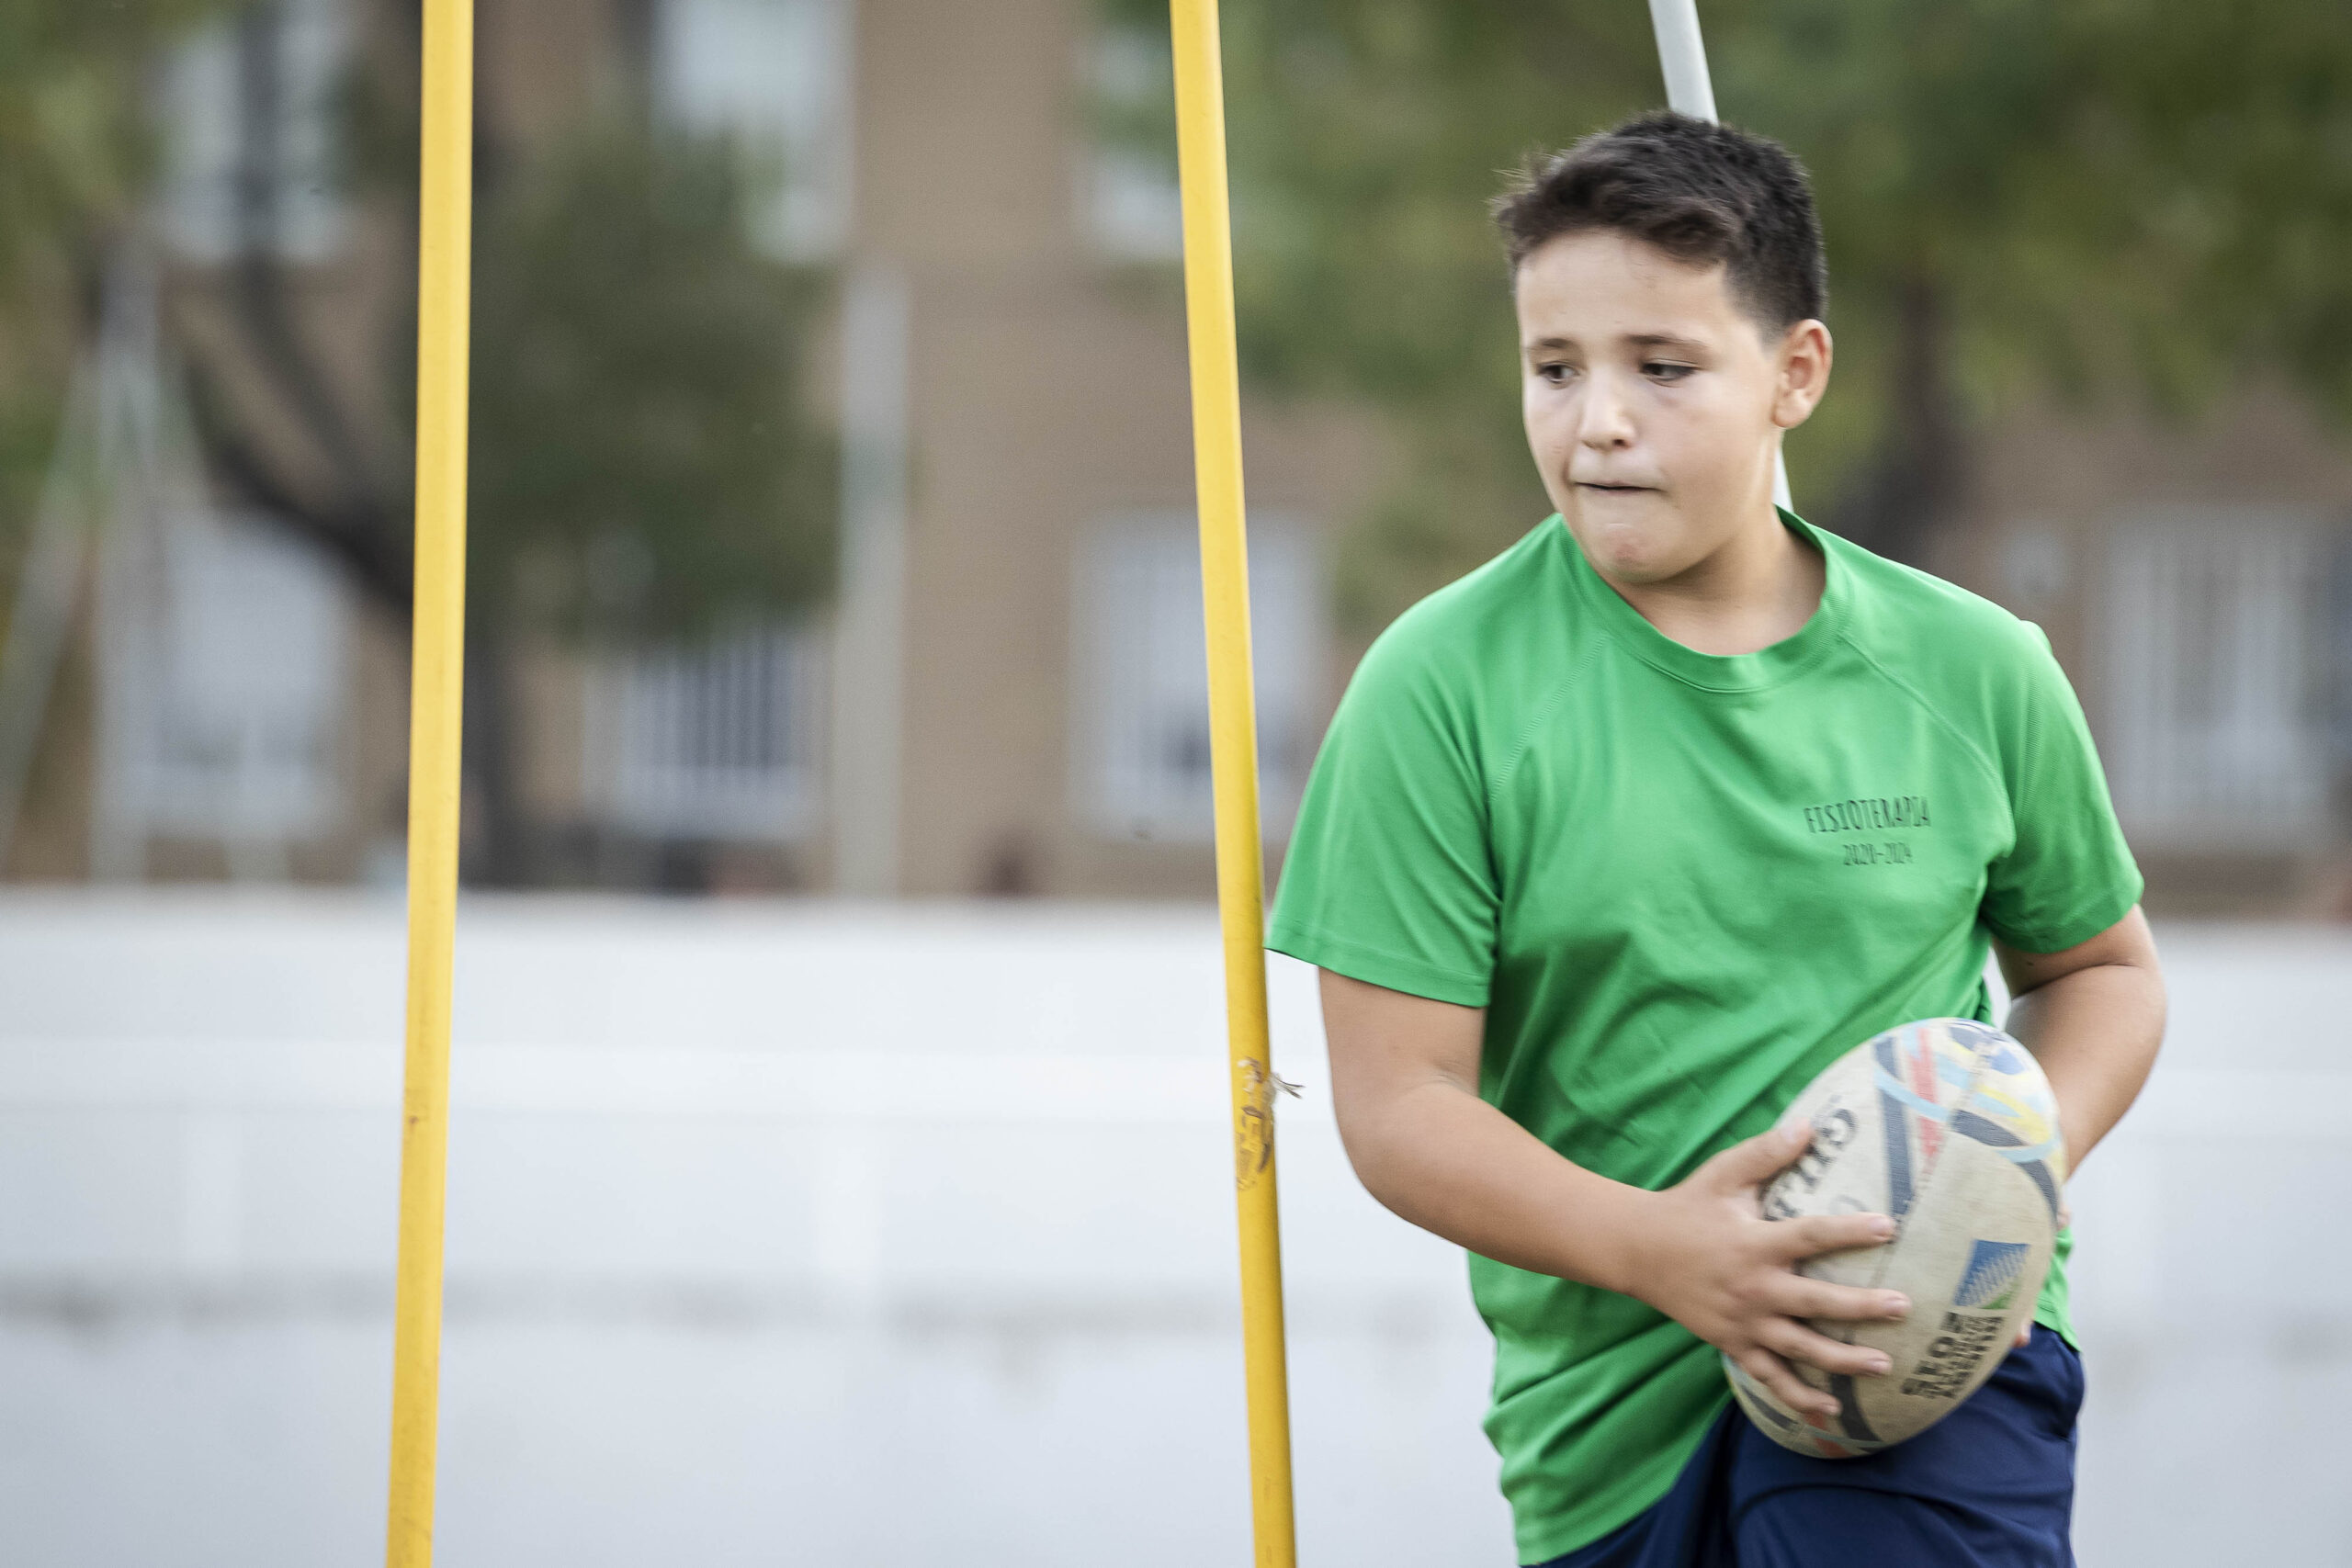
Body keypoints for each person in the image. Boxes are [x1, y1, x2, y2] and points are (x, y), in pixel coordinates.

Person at [1265, 111, 2166, 1568]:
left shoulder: (1976, 668)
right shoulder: (1436, 690)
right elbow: (1401, 1107)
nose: (1596, 420)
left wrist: (1986, 1165)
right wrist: (1665, 1254)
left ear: (1793, 375)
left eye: (1661, 367)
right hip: (1607, 1430)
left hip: (1917, 1366)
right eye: (1553, 370)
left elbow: (2104, 975)